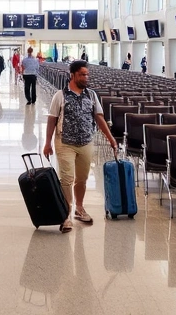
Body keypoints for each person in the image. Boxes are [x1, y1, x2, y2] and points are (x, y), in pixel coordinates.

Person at [43, 60, 119, 233]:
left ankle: (79, 208)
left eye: (87, 74)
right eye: (82, 74)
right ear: (73, 75)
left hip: (86, 142)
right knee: (66, 179)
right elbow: (52, 119)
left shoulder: (91, 95)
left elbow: (99, 117)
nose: (86, 77)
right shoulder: (60, 95)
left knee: (82, 179)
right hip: (64, 143)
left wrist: (110, 138)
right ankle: (65, 214)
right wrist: (47, 143)